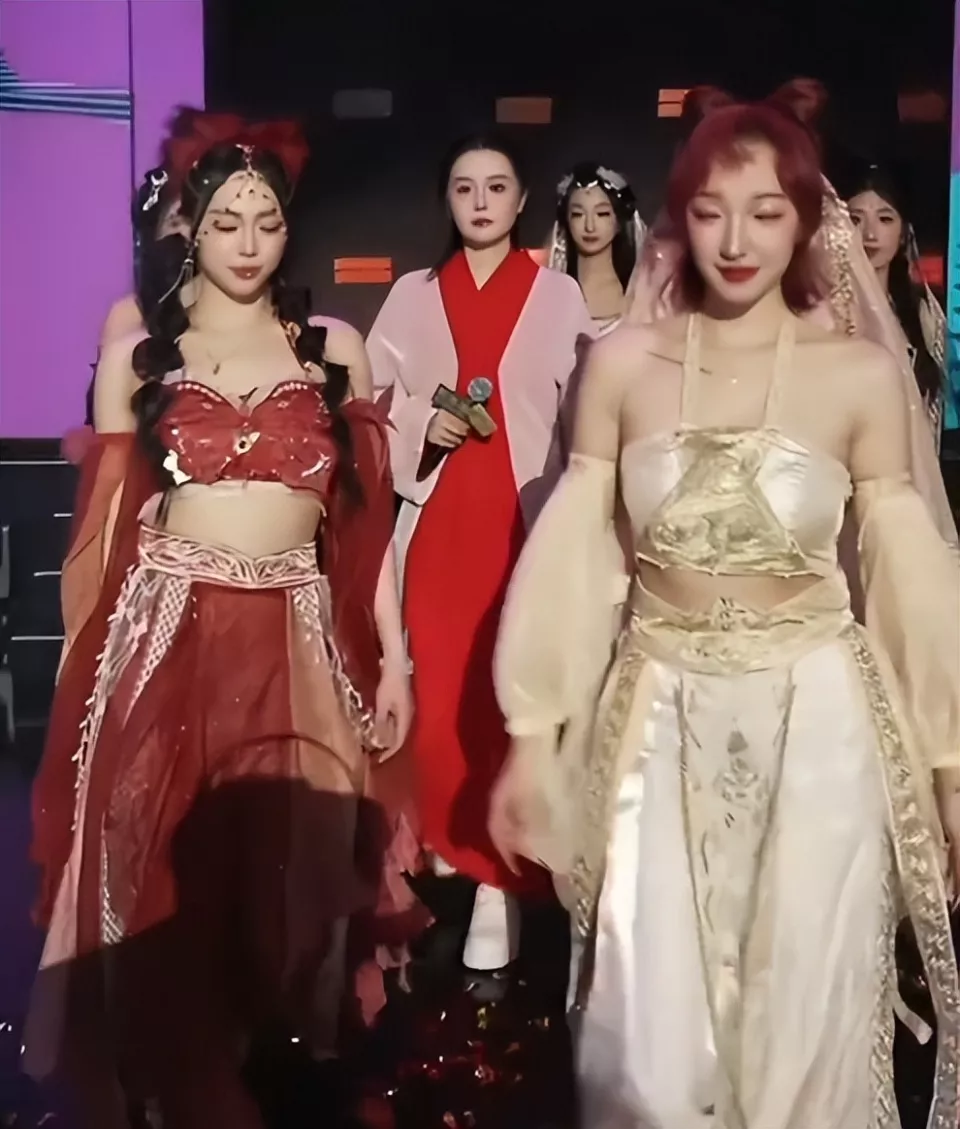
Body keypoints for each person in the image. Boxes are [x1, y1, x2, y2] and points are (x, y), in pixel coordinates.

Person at [489, 80, 960, 1128]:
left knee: (808, 1020)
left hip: (820, 717)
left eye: (766, 212)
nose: (737, 240)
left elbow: (909, 581)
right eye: (711, 211)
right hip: (656, 716)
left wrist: (948, 768)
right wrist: (532, 734)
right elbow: (577, 556)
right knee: (649, 1043)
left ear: (804, 222)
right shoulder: (621, 366)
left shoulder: (857, 377)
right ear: (680, 218)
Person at [27, 111, 421, 1129]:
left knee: (292, 855)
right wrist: (83, 677)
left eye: (267, 222)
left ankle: (268, 1061)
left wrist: (396, 659)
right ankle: (177, 1068)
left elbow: (365, 532)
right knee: (164, 854)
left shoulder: (332, 351)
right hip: (172, 630)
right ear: (190, 229)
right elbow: (101, 539)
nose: (248, 243)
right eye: (226, 222)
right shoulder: (141, 357)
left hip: (294, 627)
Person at [367, 133, 595, 972]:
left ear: (523, 198)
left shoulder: (560, 295)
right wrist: (419, 424)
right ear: (447, 199)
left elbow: (585, 415)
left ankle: (500, 880)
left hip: (523, 521)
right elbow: (372, 405)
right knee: (439, 689)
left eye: (497, 187)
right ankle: (448, 852)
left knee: (509, 692)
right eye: (465, 187)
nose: (481, 202)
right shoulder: (411, 295)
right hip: (438, 521)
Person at [844, 159, 949, 451]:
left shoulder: (924, 314)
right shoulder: (822, 310)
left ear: (903, 233)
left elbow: (932, 418)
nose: (869, 234)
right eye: (855, 219)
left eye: (885, 219)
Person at [548, 162, 647, 334]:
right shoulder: (548, 292)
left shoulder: (641, 293)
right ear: (567, 221)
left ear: (619, 221)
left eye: (602, 214)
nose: (590, 226)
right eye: (578, 214)